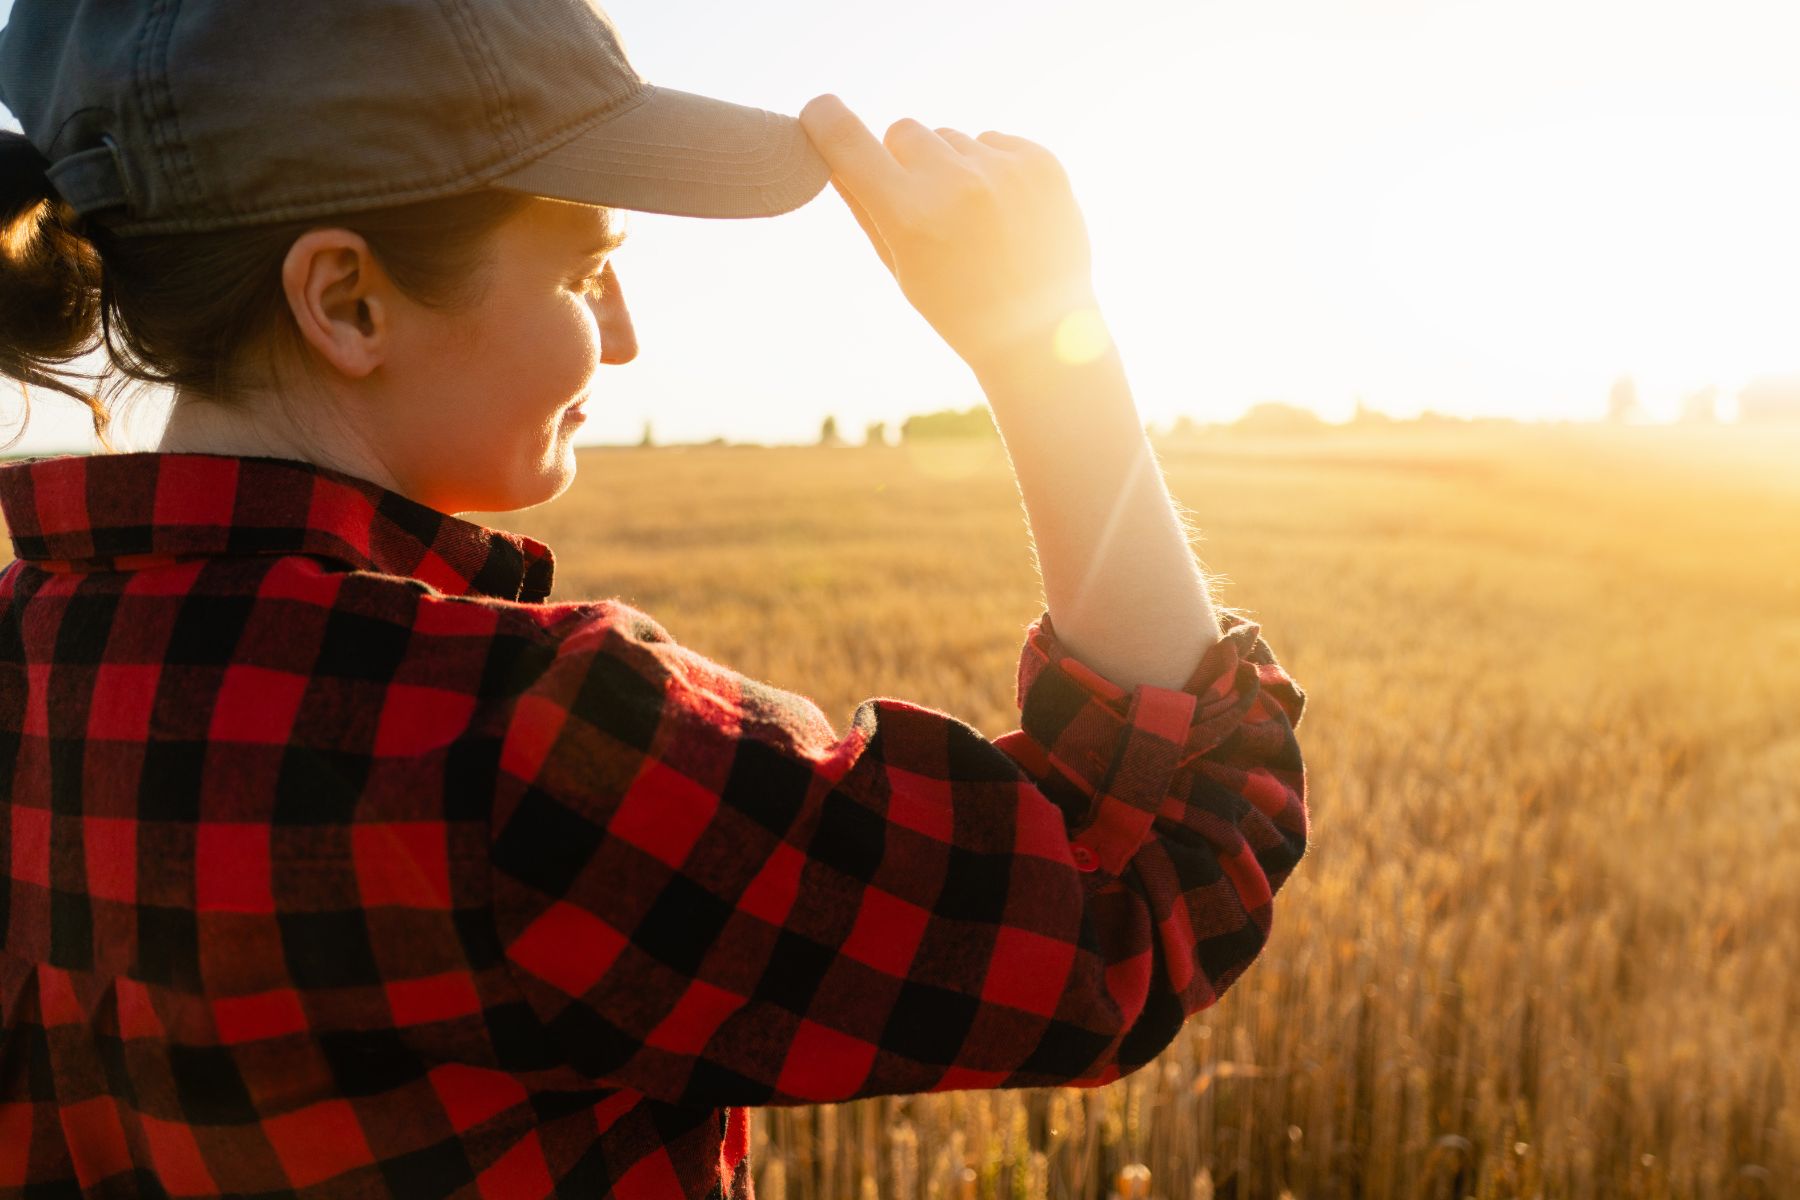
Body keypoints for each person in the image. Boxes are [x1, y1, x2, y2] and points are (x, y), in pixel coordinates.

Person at [0, 2, 1309, 1196]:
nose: (624, 335)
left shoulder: (28, 658)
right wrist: (1046, 348)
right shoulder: (527, 748)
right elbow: (1135, 893)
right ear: (347, 301)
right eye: (582, 270)